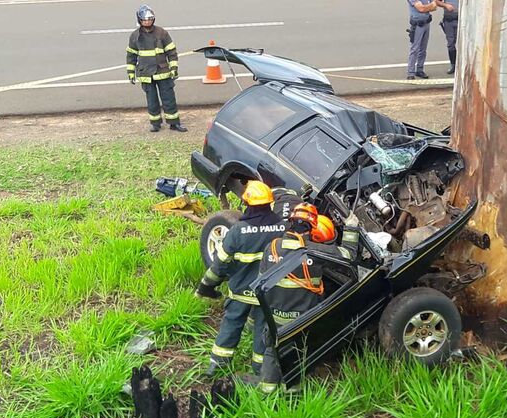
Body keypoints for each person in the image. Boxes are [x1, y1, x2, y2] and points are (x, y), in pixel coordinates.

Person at [256, 203, 360, 393]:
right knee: (297, 356)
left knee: (272, 352)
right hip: (302, 322)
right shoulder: (315, 251)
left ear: (291, 223)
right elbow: (348, 256)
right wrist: (352, 227)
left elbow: (262, 284)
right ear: (312, 227)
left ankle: (266, 395)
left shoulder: (271, 248)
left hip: (275, 319)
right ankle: (293, 396)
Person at [195, 180, 287, 377]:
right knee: (263, 331)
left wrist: (206, 286)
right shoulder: (282, 229)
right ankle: (260, 370)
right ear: (269, 203)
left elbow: (220, 264)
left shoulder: (238, 231)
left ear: (247, 204)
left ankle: (217, 365)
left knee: (231, 324)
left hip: (240, 292)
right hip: (267, 294)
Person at [126, 5, 187, 133]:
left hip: (163, 72)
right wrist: (131, 72)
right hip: (146, 74)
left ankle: (174, 123)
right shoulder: (135, 36)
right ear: (140, 20)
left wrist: (174, 67)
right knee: (152, 100)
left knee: (169, 98)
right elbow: (131, 55)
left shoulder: (162, 33)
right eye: (145, 20)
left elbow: (171, 52)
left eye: (150, 19)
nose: (147, 22)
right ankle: (155, 123)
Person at [406, 0, 437, 80]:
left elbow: (435, 7)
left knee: (423, 49)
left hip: (426, 23)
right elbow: (421, 8)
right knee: (414, 49)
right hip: (417, 25)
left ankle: (420, 69)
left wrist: (427, 7)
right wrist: (430, 6)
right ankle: (411, 73)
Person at [436, 0, 458, 75]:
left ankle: (463, 64)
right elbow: (436, 1)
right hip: (449, 21)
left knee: (464, 44)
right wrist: (445, 5)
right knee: (451, 44)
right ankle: (453, 65)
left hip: (461, 20)